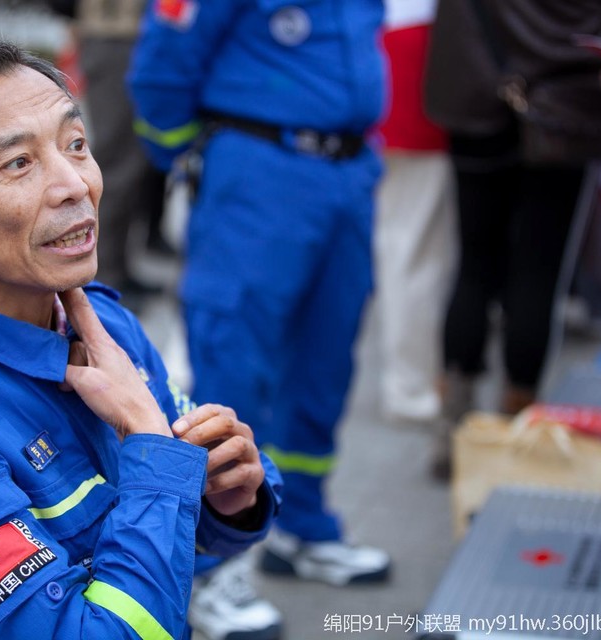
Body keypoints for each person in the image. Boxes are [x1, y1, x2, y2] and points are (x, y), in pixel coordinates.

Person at [0, 39, 282, 640]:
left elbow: (172, 535)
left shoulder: (99, 322)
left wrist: (227, 502)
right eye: (18, 164)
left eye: (75, 144)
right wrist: (152, 446)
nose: (74, 184)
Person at [128, 2, 392, 637]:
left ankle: (302, 525)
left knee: (325, 361)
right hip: (258, 176)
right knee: (234, 367)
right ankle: (204, 569)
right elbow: (163, 67)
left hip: (347, 175)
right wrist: (191, 158)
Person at [423, 0, 601, 479]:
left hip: (475, 93)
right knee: (539, 270)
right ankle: (514, 430)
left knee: (474, 263)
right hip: (564, 100)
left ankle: (453, 426)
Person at [53, 0, 174, 312]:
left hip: (128, 39)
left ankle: (116, 269)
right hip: (114, 39)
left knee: (130, 162)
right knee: (118, 164)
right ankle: (102, 278)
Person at [374, 0, 456, 424]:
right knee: (414, 253)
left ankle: (409, 385)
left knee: (396, 246)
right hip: (418, 67)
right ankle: (410, 388)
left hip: (372, 66)